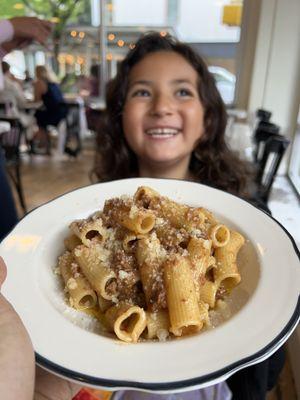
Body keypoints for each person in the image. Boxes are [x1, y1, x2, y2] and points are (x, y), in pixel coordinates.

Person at [92, 32, 285, 399]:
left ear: (208, 120)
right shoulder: (101, 217)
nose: (162, 106)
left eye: (182, 91)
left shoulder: (247, 219)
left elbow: (268, 365)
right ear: (120, 119)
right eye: (142, 92)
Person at [32, 65, 67, 154]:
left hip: (52, 114)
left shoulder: (39, 83)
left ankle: (43, 143)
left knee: (37, 116)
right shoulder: (53, 82)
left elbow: (36, 100)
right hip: (61, 112)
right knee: (38, 114)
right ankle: (43, 143)